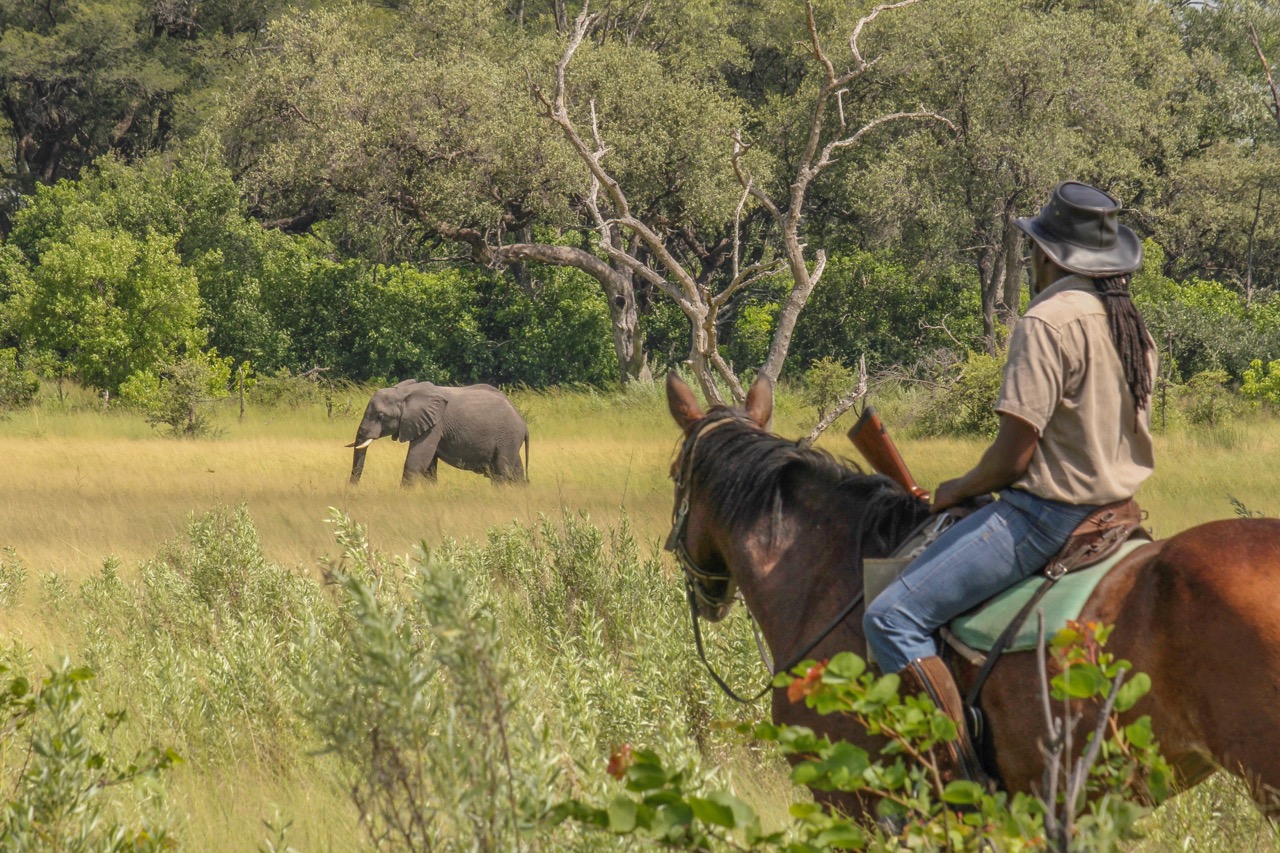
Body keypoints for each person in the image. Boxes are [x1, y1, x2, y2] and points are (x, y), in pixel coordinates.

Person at [863, 181, 1156, 785]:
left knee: (891, 617)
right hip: (1121, 514)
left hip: (1048, 518)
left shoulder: (1046, 320)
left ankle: (958, 777)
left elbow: (1013, 458)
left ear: (1048, 256)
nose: (1031, 263)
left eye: (1033, 253)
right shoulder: (1129, 323)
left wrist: (954, 488)